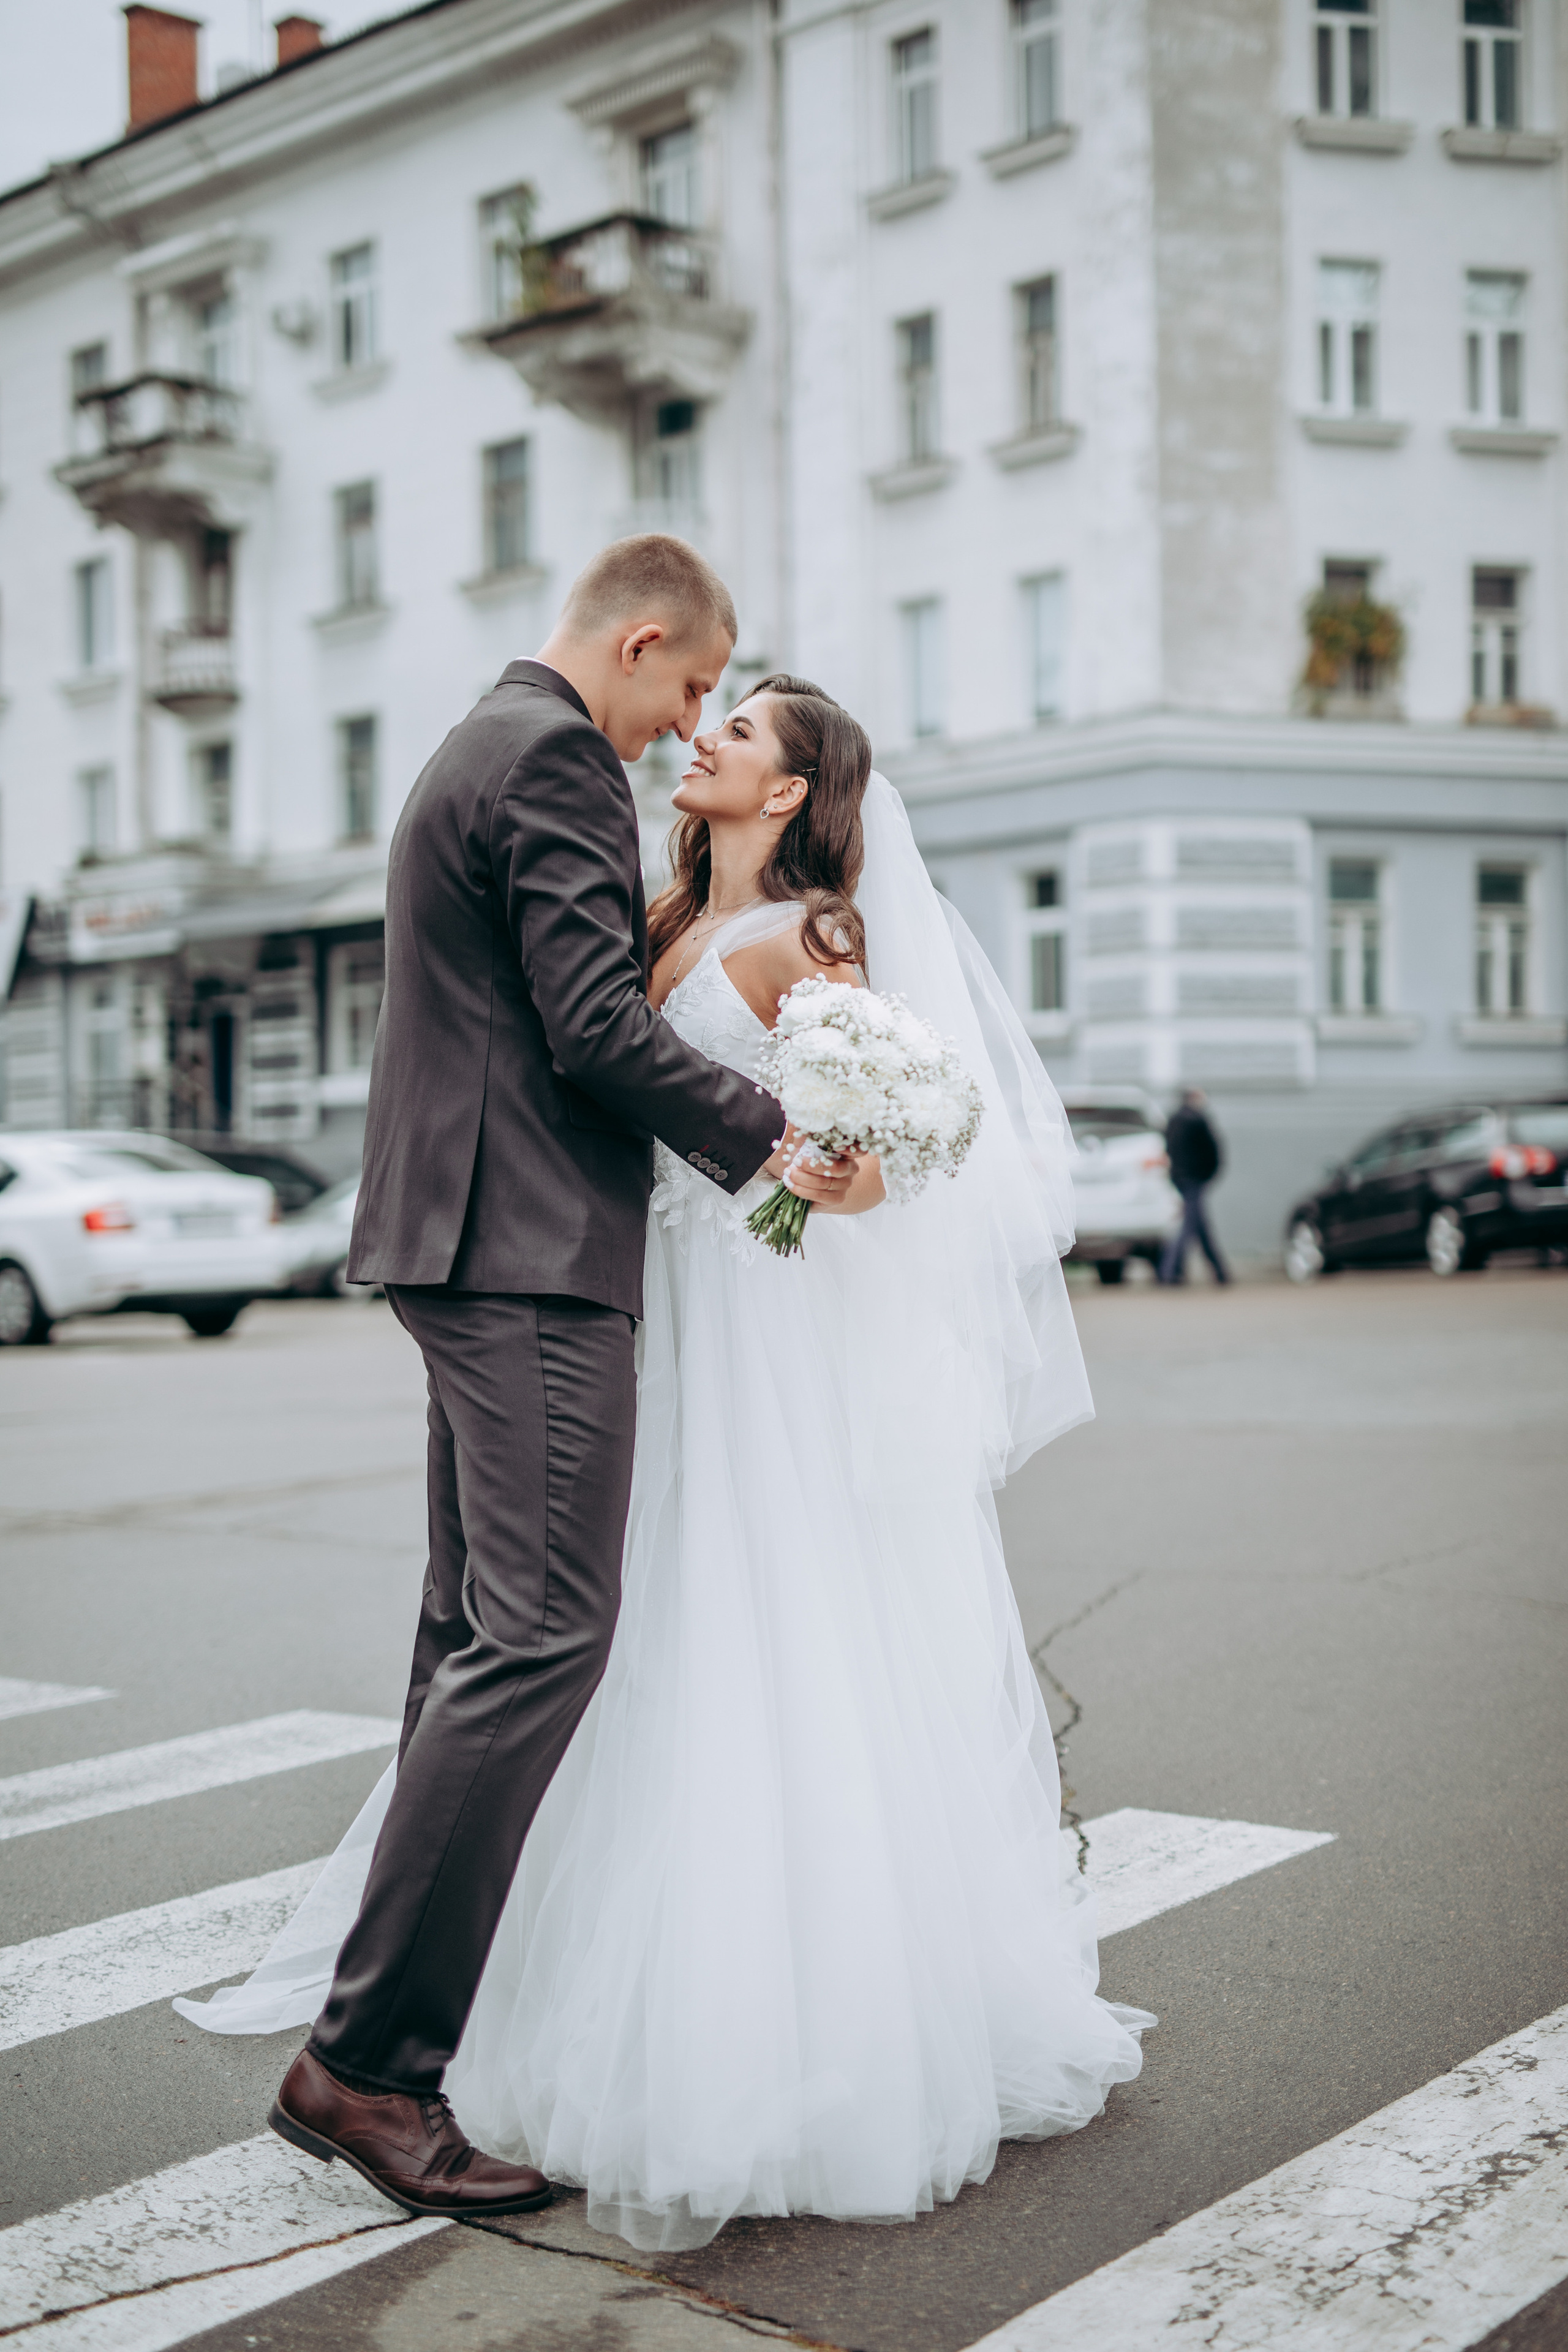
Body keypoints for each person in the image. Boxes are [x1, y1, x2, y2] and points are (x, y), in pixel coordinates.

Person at [181, 676, 1151, 2247]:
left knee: (734, 1632)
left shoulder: (814, 937)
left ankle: (753, 2035)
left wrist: (827, 1181)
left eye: (742, 730)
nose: (703, 736)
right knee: (606, 1637)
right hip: (642, 1308)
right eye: (708, 713)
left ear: (790, 791)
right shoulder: (647, 919)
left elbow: (886, 1150)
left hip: (748, 1335)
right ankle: (486, 2014)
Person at [205, 540, 854, 2220]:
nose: (687, 721)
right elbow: (585, 1022)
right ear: (641, 644)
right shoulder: (560, 757)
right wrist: (775, 1140)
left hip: (456, 1236)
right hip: (529, 1255)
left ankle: (402, 2039)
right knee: (545, 1631)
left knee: (470, 1634)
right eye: (692, 688)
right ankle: (371, 2063)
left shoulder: (475, 740)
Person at [1158, 1089, 1231, 1286]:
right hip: (1194, 1180)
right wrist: (1208, 1176)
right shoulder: (1198, 1120)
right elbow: (1213, 1151)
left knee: (1200, 1226)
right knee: (1190, 1226)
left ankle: (1220, 1273)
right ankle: (1169, 1271)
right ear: (1194, 1099)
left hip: (1181, 1179)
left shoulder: (1173, 1120)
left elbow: (1168, 1150)